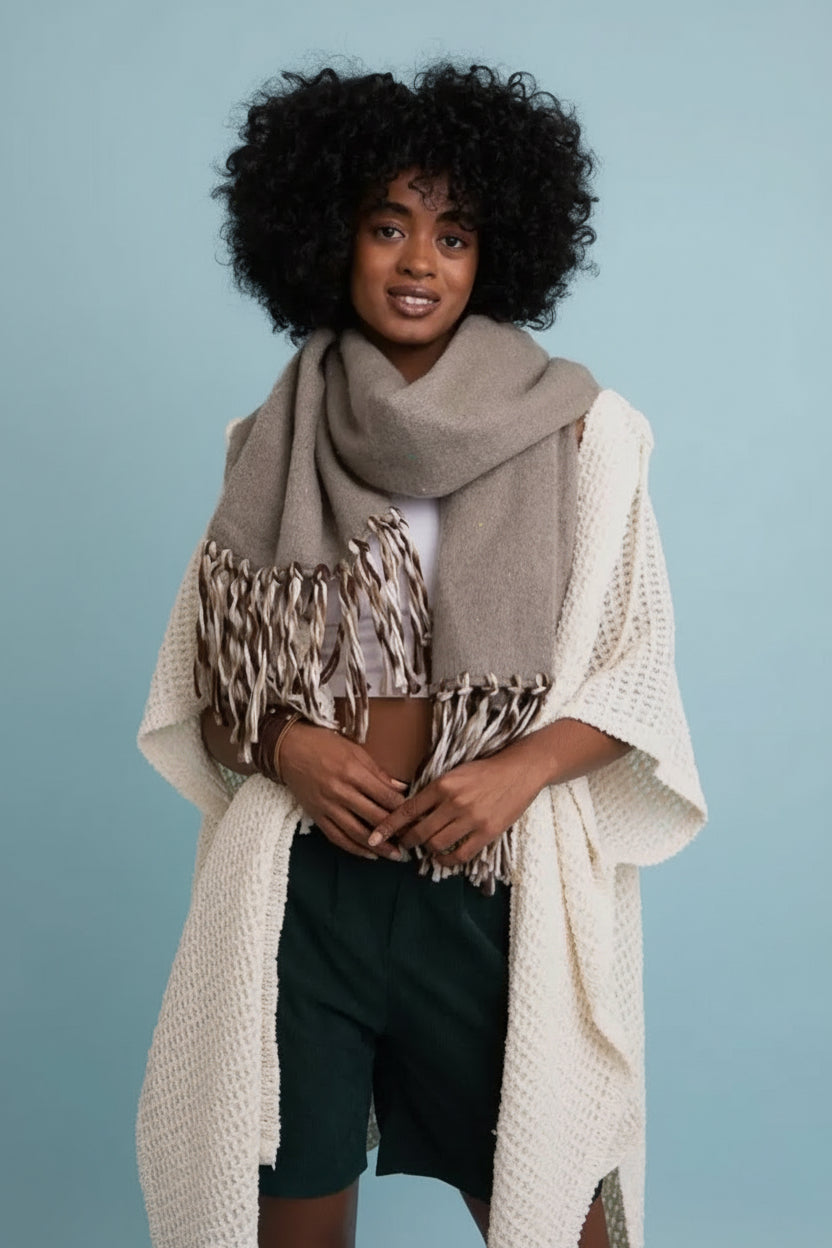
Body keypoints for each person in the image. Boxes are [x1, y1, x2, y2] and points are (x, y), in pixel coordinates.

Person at [135, 60, 708, 1248]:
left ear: (494, 254)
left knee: (556, 1206)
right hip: (306, 889)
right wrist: (287, 748)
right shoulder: (268, 441)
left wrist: (514, 772)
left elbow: (635, 672)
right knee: (286, 1215)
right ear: (328, 238)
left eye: (453, 235)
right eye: (387, 224)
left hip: (491, 889)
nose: (418, 261)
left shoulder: (588, 435)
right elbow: (208, 691)